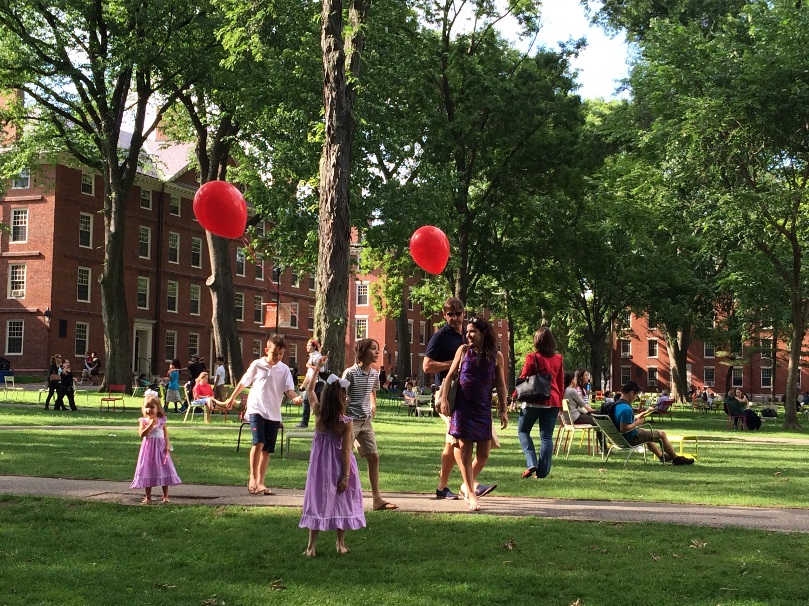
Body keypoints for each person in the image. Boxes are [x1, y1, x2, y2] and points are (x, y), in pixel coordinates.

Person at [439, 316, 508, 511]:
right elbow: (450, 376)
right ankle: (470, 493)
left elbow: (501, 384)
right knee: (466, 452)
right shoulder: (463, 351)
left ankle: (465, 486)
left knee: (484, 453)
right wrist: (444, 399)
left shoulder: (496, 356)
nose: (468, 335)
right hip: (463, 408)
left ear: (483, 333)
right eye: (467, 331)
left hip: (482, 409)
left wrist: (503, 409)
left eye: (472, 331)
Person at [225, 334, 303, 495]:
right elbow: (243, 382)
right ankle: (252, 478)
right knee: (258, 442)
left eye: (281, 354)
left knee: (267, 449)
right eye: (274, 353)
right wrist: (232, 398)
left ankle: (260, 482)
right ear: (267, 350)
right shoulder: (257, 364)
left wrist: (295, 397)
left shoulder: (284, 370)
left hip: (273, 413)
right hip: (256, 409)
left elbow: (288, 390)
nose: (277, 357)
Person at [299, 372, 366, 557]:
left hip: (320, 467)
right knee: (341, 499)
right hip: (338, 464)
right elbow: (346, 450)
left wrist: (316, 369)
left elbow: (310, 389)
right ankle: (340, 543)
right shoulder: (345, 422)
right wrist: (346, 476)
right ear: (341, 398)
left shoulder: (318, 412)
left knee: (317, 500)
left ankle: (311, 546)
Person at [342, 337, 397, 511]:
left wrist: (374, 404)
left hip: (366, 422)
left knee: (373, 456)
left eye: (377, 348)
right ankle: (341, 497)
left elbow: (373, 391)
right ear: (362, 352)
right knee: (344, 458)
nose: (377, 352)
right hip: (351, 421)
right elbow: (341, 395)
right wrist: (342, 418)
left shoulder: (374, 374)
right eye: (373, 349)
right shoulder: (349, 373)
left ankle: (377, 499)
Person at [423, 296, 466, 500]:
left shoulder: (468, 334)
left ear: (463, 314)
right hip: (445, 394)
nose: (455, 318)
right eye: (450, 314)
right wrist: (452, 363)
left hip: (464, 393)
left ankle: (442, 487)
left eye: (458, 314)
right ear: (444, 315)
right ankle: (470, 483)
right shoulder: (440, 337)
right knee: (456, 438)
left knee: (451, 441)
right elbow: (427, 366)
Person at [514, 327, 565, 480]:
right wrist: (560, 402)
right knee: (546, 438)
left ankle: (531, 463)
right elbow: (560, 382)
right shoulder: (558, 358)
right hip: (553, 401)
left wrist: (514, 397)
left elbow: (524, 378)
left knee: (523, 431)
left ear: (536, 341)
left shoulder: (531, 357)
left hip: (534, 401)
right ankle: (542, 473)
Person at [609, 381, 694, 464]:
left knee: (647, 434)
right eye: (636, 395)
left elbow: (626, 421)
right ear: (631, 393)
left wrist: (644, 413)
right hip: (630, 438)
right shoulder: (626, 409)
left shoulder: (617, 405)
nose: (636, 397)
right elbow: (624, 428)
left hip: (620, 438)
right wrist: (637, 423)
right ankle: (676, 459)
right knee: (662, 434)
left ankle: (663, 457)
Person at [130, 395, 181, 503]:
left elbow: (165, 434)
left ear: (158, 408)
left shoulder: (162, 420)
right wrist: (149, 425)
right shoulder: (143, 421)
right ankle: (148, 497)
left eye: (152, 407)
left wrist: (167, 445)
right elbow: (141, 434)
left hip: (160, 449)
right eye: (146, 407)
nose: (149, 410)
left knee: (164, 468)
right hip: (148, 450)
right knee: (147, 470)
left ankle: (165, 495)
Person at [296, 339, 323, 429]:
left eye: (309, 345)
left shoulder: (318, 356)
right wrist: (303, 385)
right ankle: (321, 424)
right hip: (313, 382)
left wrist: (310, 365)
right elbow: (309, 374)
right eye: (307, 345)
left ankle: (304, 422)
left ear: (314, 346)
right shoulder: (312, 356)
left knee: (306, 400)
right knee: (318, 404)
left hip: (317, 382)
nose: (307, 347)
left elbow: (321, 370)